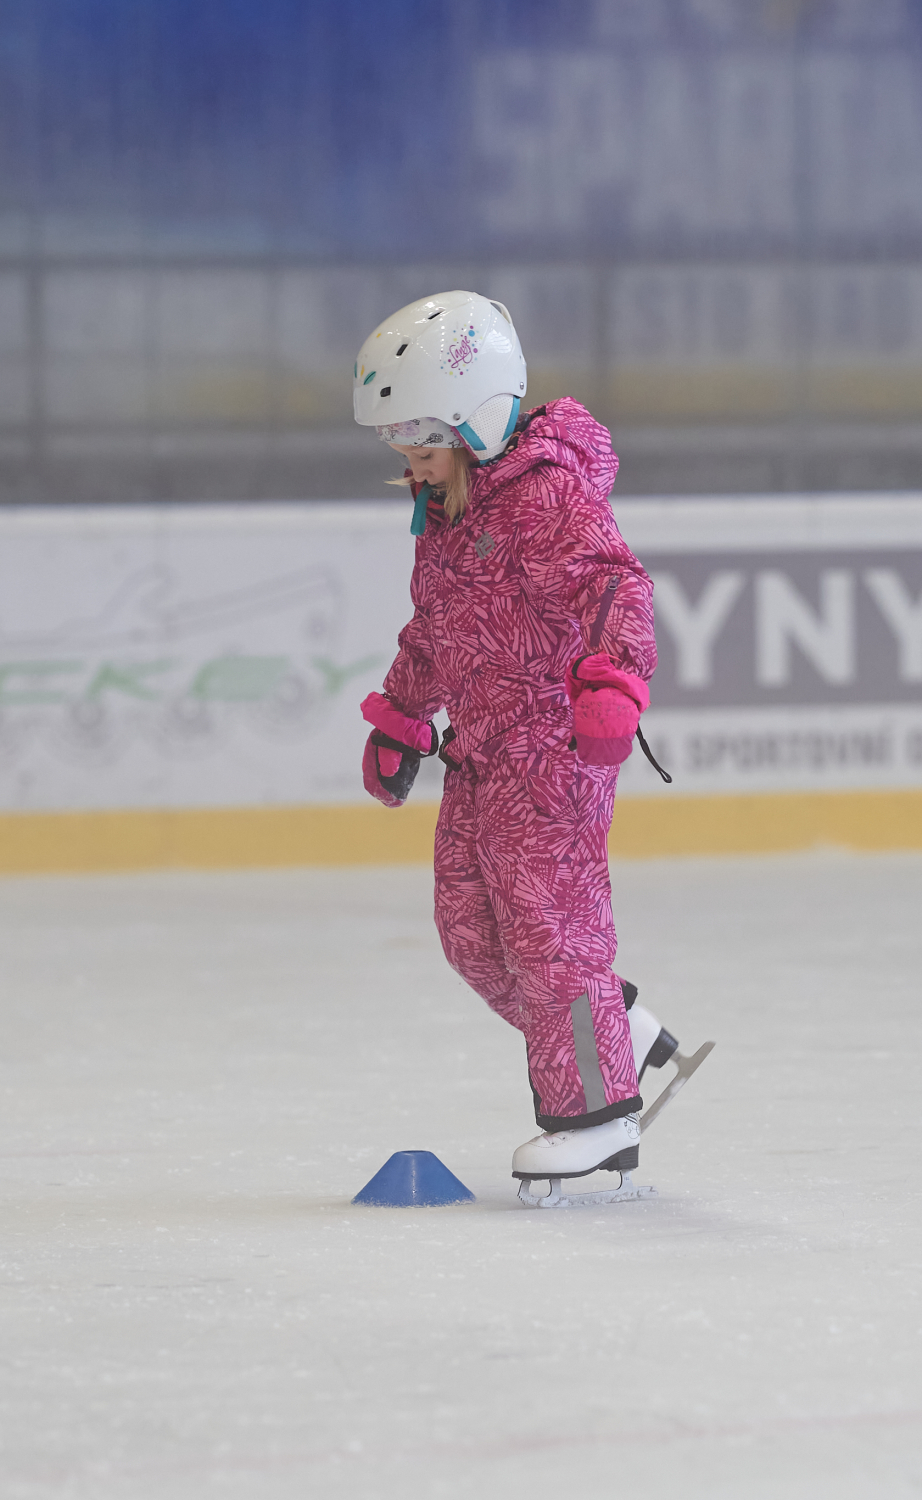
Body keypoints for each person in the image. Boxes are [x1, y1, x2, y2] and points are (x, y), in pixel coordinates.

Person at [353, 289, 695, 1200]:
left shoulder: (545, 496)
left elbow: (614, 587)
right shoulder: (446, 508)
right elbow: (438, 627)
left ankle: (598, 1119)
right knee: (469, 936)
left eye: (419, 436)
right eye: (394, 439)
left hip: (550, 754)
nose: (407, 457)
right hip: (478, 756)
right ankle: (615, 1031)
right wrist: (401, 712)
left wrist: (614, 682)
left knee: (550, 939)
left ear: (473, 416)